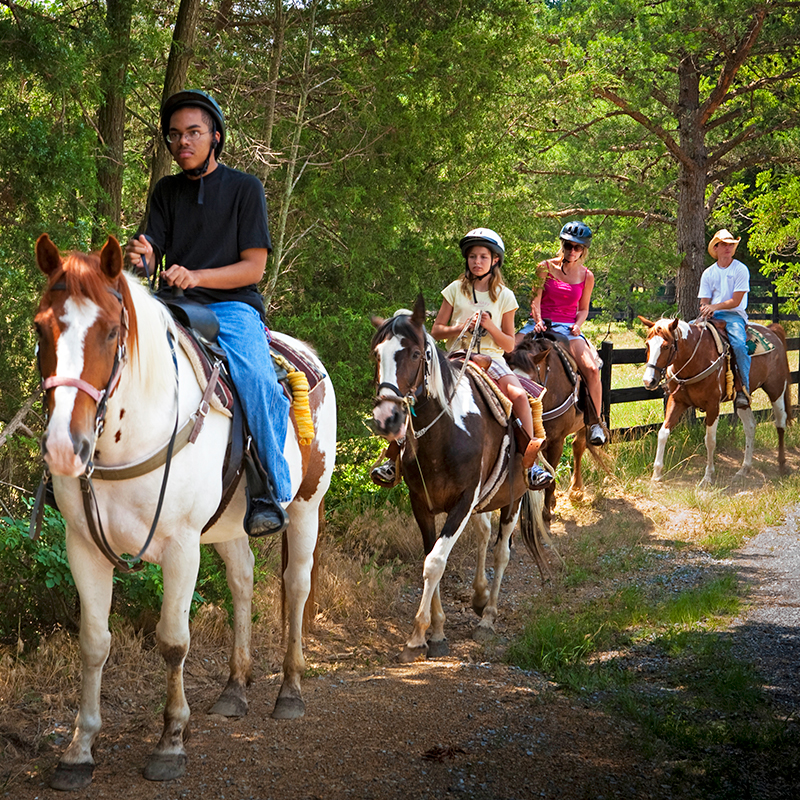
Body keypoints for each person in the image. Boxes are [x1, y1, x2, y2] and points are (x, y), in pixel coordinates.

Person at [125, 89, 291, 536]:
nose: (183, 142)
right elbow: (151, 254)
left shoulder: (245, 189)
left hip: (233, 307)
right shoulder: (166, 191)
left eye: (194, 132)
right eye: (175, 135)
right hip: (173, 305)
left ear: (215, 137)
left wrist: (196, 276)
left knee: (257, 379)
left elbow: (254, 266)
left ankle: (270, 487)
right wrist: (140, 256)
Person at [516, 220, 606, 446]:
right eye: (568, 245)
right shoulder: (544, 267)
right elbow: (534, 300)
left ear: (584, 250)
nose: (571, 251)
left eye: (577, 247)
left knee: (592, 369)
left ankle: (595, 421)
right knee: (506, 351)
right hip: (540, 322)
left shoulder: (587, 276)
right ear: (562, 245)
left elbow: (584, 308)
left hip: (567, 327)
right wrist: (536, 321)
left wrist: (578, 324)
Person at [698, 228, 751, 409]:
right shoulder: (708, 273)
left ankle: (744, 388)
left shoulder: (740, 269)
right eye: (724, 244)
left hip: (735, 315)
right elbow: (704, 300)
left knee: (738, 345)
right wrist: (706, 309)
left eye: (731, 245)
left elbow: (736, 300)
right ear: (717, 247)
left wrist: (714, 306)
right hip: (712, 315)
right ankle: (683, 382)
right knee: (685, 335)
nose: (728, 248)